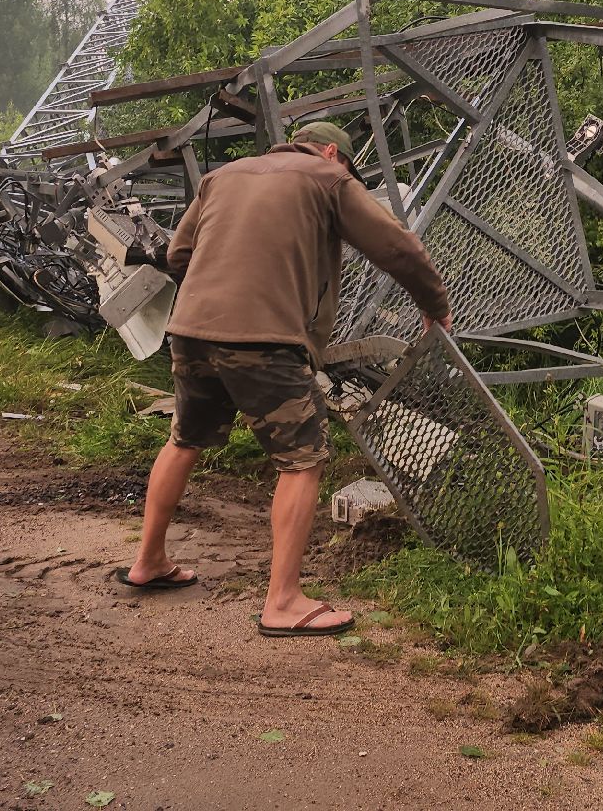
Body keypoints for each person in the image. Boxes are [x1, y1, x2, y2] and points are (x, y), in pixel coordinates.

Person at [119, 121, 451, 637]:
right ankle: (283, 601)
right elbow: (398, 249)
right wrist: (434, 305)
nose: (347, 174)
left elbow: (178, 255)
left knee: (185, 438)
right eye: (347, 165)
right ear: (329, 152)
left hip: (190, 329)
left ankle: (149, 561)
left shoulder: (223, 176)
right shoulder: (328, 177)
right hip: (265, 340)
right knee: (303, 458)